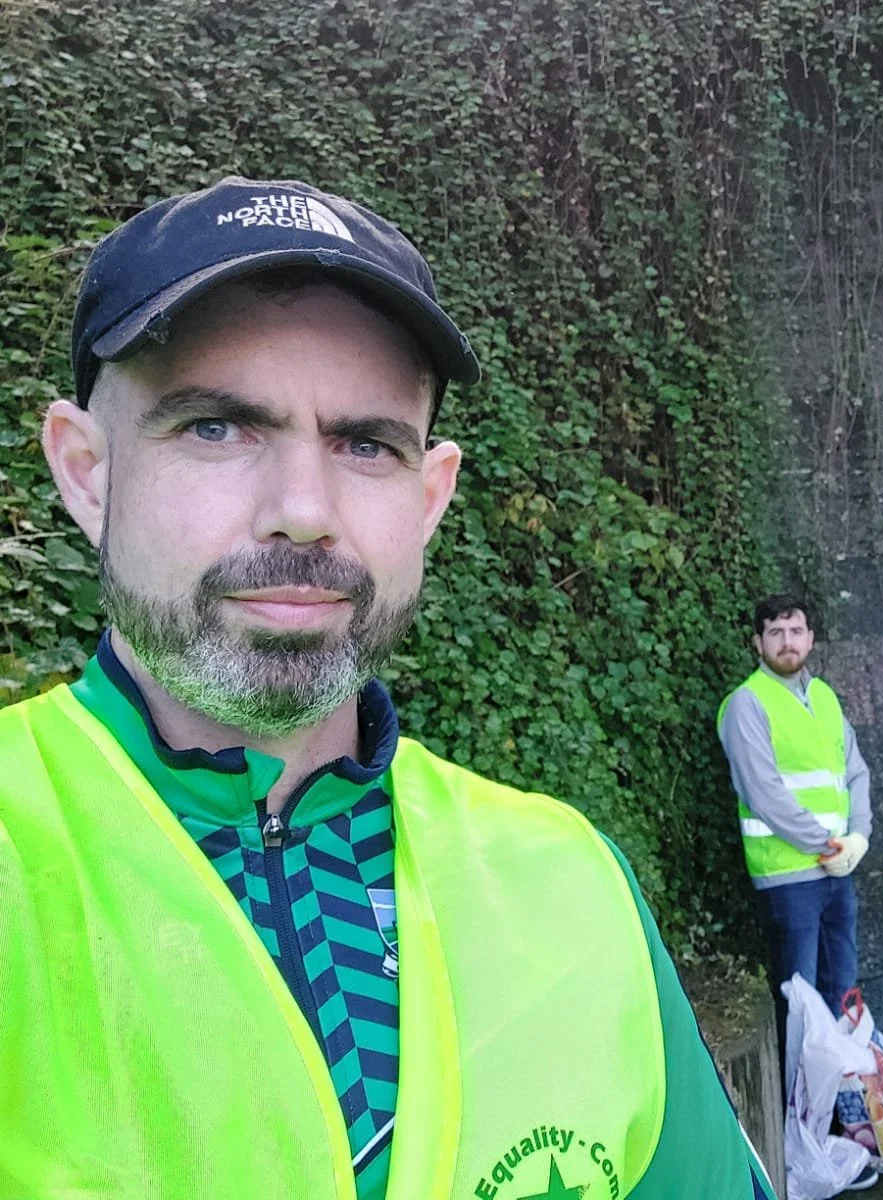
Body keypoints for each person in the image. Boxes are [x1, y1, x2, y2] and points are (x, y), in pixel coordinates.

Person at [0, 177, 776, 1199]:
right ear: (85, 472)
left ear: (429, 496)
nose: (303, 512)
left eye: (365, 444)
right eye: (216, 428)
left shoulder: (574, 883)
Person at [717, 595, 877, 1189]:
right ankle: (801, 1144)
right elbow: (764, 792)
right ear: (757, 642)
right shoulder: (747, 704)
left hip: (838, 872)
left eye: (797, 630)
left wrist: (858, 837)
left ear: (811, 638)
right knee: (801, 1011)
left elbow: (854, 771)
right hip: (791, 880)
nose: (787, 641)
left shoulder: (827, 698)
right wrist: (827, 845)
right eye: (775, 632)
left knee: (838, 998)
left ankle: (841, 1130)